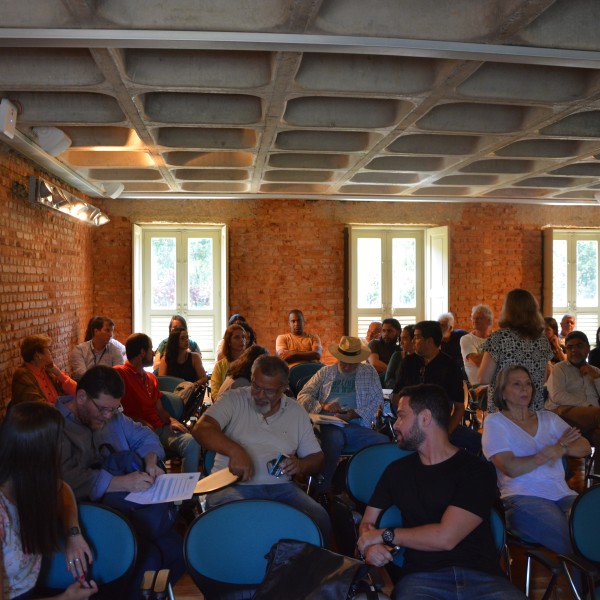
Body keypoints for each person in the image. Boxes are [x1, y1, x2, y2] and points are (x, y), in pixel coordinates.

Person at [357, 384, 526, 600]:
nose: (396, 425)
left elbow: (446, 537)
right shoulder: (396, 472)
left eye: (401, 416)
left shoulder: (475, 470)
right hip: (421, 580)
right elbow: (366, 523)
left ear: (425, 418)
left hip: (482, 578)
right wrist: (369, 547)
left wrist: (385, 535)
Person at [58, 365, 185, 598]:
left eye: (114, 409)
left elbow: (146, 435)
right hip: (85, 518)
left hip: (130, 509)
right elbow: (63, 480)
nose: (108, 417)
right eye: (103, 409)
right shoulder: (55, 425)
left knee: (180, 550)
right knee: (150, 558)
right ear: (82, 396)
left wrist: (150, 460)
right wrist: (120, 482)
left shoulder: (113, 417)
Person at [194, 355, 331, 544]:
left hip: (281, 487)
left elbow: (317, 458)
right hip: (231, 486)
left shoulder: (295, 411)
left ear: (284, 388)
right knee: (247, 522)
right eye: (256, 387)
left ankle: (301, 569)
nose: (259, 395)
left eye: (269, 391)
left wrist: (300, 465)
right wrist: (236, 451)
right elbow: (201, 429)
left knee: (319, 518)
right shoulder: (234, 399)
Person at [482, 366, 590, 559]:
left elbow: (584, 447)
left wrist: (562, 448)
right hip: (521, 498)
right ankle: (589, 587)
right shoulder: (495, 422)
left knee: (592, 531)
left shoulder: (548, 418)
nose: (525, 389)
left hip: (563, 494)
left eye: (528, 384)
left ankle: (588, 585)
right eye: (517, 384)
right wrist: (545, 454)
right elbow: (511, 468)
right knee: (577, 540)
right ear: (503, 392)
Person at [0, 402, 97, 599]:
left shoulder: (27, 484)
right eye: (57, 444)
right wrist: (65, 598)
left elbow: (62, 489)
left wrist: (73, 533)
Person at [297, 336, 389, 494]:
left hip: (355, 424)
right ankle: (321, 490)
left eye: (351, 364)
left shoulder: (369, 372)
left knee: (383, 442)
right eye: (344, 362)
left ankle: (361, 486)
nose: (346, 367)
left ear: (359, 361)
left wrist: (354, 414)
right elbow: (303, 395)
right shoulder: (325, 372)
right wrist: (323, 405)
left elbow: (378, 401)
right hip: (326, 422)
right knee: (334, 438)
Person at [115, 334, 201, 473]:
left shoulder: (150, 377)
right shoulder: (119, 373)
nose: (154, 352)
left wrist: (172, 420)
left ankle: (186, 490)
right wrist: (140, 422)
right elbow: (114, 409)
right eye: (151, 349)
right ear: (142, 352)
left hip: (160, 428)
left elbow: (160, 409)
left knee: (192, 443)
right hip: (137, 433)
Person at [392, 321, 481, 455]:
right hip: (411, 424)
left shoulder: (449, 365)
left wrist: (446, 433)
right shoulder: (408, 362)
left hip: (440, 425)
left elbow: (459, 407)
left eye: (416, 337)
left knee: (479, 443)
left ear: (429, 341)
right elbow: (396, 397)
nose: (413, 341)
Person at [478, 289, 553, 413]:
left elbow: (483, 378)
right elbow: (543, 377)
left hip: (505, 412)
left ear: (507, 310)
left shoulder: (499, 338)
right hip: (533, 412)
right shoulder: (542, 340)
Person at [545, 331, 600, 453]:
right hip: (564, 414)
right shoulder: (559, 368)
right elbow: (557, 395)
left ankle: (596, 472)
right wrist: (588, 407)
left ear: (588, 348)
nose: (574, 350)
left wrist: (596, 378)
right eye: (569, 347)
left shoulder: (595, 371)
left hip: (591, 419)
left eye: (579, 346)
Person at [11, 335, 77, 405]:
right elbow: (39, 407)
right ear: (38, 355)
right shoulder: (22, 376)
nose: (51, 352)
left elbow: (76, 391)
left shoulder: (47, 370)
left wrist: (59, 374)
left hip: (57, 413)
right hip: (43, 414)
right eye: (48, 349)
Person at [71, 316, 124, 380]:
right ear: (96, 331)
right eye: (107, 330)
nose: (110, 335)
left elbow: (118, 376)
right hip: (86, 387)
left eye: (112, 331)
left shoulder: (115, 350)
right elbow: (81, 375)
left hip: (107, 388)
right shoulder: (80, 350)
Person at [211, 324, 248, 397]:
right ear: (229, 341)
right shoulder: (220, 366)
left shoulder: (250, 363)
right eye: (237, 337)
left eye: (243, 337)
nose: (242, 340)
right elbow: (215, 393)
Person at [460, 305, 493, 385]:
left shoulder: (495, 338)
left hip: (496, 384)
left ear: (488, 321)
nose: (475, 321)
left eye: (479, 318)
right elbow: (477, 361)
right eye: (473, 318)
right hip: (478, 387)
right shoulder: (466, 339)